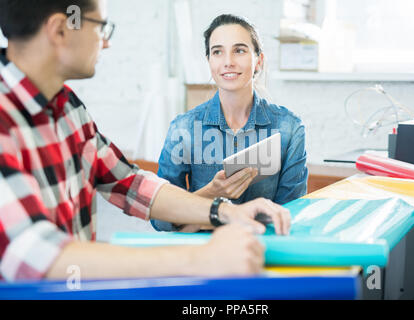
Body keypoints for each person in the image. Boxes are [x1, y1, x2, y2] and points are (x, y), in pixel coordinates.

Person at [0, 0, 292, 282]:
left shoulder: (67, 108)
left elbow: (129, 183)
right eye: (101, 26)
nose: (105, 42)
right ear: (60, 29)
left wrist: (224, 210)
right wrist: (199, 259)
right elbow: (37, 255)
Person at [153, 14, 308, 232]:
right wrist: (212, 192)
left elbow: (290, 214)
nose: (228, 62)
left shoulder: (289, 129)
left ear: (259, 61)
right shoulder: (183, 129)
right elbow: (160, 220)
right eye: (217, 52)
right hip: (202, 253)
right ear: (209, 62)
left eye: (240, 50)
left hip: (262, 249)